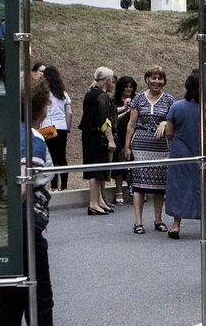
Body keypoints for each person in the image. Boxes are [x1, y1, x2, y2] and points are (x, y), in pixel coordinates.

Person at [0, 71, 95, 326]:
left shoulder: (1, 133)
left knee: (8, 297)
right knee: (38, 299)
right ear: (43, 105)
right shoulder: (31, 138)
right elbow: (22, 182)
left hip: (0, 231)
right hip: (25, 229)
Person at [124, 66, 174, 233]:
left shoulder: (169, 100)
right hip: (140, 144)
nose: (156, 81)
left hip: (160, 146)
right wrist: (127, 146)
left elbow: (173, 121)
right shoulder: (138, 99)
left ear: (164, 81)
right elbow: (131, 124)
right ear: (147, 79)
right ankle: (138, 222)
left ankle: (158, 220)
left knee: (159, 184)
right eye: (153, 78)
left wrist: (165, 122)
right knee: (139, 184)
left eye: (160, 78)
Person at [165, 72, 202, 238]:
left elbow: (169, 132)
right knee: (202, 186)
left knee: (178, 186)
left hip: (180, 151)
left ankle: (175, 225)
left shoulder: (176, 107)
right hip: (202, 150)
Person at [79, 66, 117, 215]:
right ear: (107, 81)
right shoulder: (102, 97)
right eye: (111, 81)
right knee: (96, 170)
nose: (113, 84)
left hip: (88, 135)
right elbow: (104, 121)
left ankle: (98, 200)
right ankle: (93, 203)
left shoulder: (90, 94)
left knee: (95, 169)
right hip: (97, 136)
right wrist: (111, 139)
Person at [40, 65, 73, 190]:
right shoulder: (63, 94)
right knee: (62, 158)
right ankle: (64, 186)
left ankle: (53, 187)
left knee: (52, 157)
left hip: (47, 127)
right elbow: (69, 113)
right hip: (62, 127)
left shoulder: (44, 94)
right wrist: (68, 128)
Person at [111, 76, 137, 205]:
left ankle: (135, 190)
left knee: (134, 164)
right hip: (118, 135)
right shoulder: (113, 101)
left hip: (133, 135)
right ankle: (119, 191)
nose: (128, 89)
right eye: (126, 86)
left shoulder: (136, 100)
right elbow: (111, 117)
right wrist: (126, 108)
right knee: (119, 164)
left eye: (131, 87)